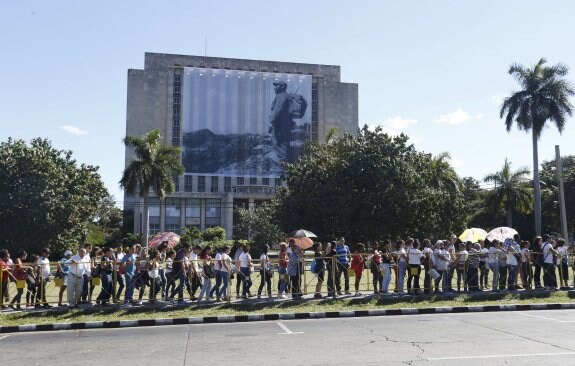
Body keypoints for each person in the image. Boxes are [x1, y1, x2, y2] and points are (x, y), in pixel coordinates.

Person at [268, 80, 296, 159]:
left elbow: (278, 109)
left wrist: (271, 121)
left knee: (279, 144)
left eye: (277, 86)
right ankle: (282, 162)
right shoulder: (284, 96)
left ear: (282, 87)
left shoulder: (281, 96)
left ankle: (280, 164)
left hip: (279, 127)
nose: (275, 88)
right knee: (282, 144)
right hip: (283, 126)